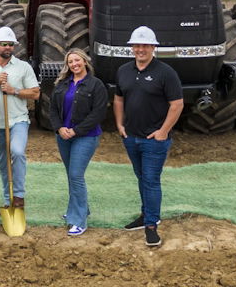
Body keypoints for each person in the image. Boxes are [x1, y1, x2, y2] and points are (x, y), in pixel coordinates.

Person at [113, 25, 183, 248]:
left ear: (153, 47)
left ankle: (152, 226)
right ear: (132, 47)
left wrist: (163, 131)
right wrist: (119, 124)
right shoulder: (124, 71)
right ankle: (145, 216)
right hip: (131, 137)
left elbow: (177, 104)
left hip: (155, 140)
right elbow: (118, 99)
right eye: (137, 45)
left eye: (145, 45)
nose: (140, 49)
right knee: (142, 178)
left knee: (151, 181)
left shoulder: (165, 73)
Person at [49, 48, 108, 237]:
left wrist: (76, 130)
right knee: (71, 174)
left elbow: (98, 113)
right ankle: (80, 208)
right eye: (70, 62)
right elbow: (52, 110)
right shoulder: (61, 84)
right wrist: (59, 128)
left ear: (84, 62)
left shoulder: (95, 85)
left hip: (86, 136)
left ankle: (79, 220)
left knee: (76, 174)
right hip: (63, 136)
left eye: (77, 60)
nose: (74, 64)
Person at [0, 26, 40, 210]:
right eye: (4, 44)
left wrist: (13, 90)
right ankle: (8, 200)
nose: (8, 47)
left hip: (18, 120)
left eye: (11, 45)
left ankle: (19, 197)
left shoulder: (23, 67)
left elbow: (35, 93)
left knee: (18, 152)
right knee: (3, 162)